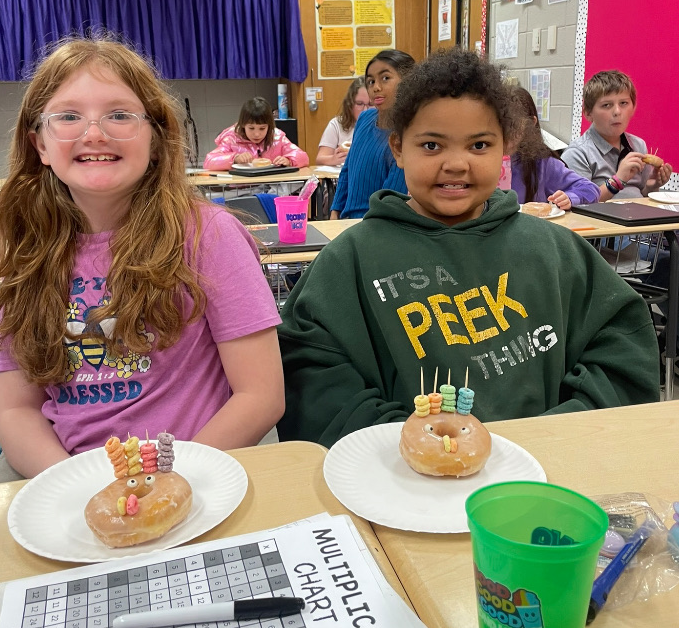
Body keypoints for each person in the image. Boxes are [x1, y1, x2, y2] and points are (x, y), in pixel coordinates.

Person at [277, 48, 659, 447]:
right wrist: (407, 441)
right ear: (397, 149)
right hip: (404, 483)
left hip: (543, 473)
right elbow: (312, 378)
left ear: (505, 148)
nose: (457, 164)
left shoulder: (553, 248)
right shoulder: (351, 260)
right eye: (431, 146)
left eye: (479, 146)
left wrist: (555, 431)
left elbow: (623, 346)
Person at [0, 39, 284, 482]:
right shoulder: (28, 253)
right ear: (40, 146)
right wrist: (72, 489)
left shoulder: (208, 235)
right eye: (68, 116)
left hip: (192, 472)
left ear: (157, 137)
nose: (94, 133)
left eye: (119, 114)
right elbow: (16, 409)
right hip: (65, 477)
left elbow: (260, 395)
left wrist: (164, 485)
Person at [330, 49, 415, 219]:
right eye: (370, 81)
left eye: (385, 78)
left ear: (408, 81)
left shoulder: (407, 133)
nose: (375, 87)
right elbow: (348, 169)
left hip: (376, 227)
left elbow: (389, 202)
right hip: (345, 222)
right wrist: (335, 213)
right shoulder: (365, 117)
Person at [561, 70, 672, 199]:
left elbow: (641, 195)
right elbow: (579, 202)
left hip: (636, 215)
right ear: (588, 113)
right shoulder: (578, 153)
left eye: (623, 103)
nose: (617, 112)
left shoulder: (638, 145)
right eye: (606, 105)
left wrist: (652, 186)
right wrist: (618, 180)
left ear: (633, 107)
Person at [509, 86, 599, 210]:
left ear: (530, 124)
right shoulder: (481, 161)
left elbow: (590, 189)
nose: (504, 131)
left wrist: (568, 198)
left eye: (513, 124)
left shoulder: (541, 163)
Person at [204, 96, 309, 171]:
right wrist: (234, 158)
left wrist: (288, 160)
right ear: (243, 125)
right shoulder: (232, 138)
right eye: (251, 128)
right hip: (240, 189)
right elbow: (209, 161)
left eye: (262, 128)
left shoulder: (277, 137)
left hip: (273, 187)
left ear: (269, 126)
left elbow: (303, 157)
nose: (257, 134)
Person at [316, 77, 370, 166]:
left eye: (370, 104)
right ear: (350, 104)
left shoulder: (384, 127)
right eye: (359, 104)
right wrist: (333, 159)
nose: (365, 110)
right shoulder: (337, 124)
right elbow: (320, 159)